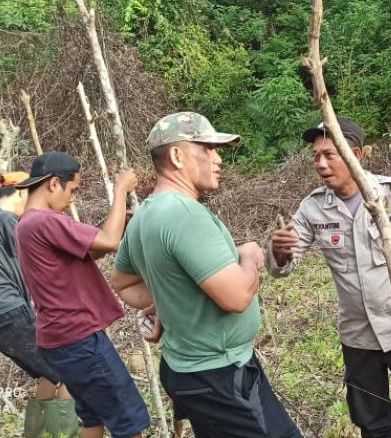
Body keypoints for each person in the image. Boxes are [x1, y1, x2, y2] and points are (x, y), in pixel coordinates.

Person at [267, 116, 391, 438]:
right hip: (358, 335)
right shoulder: (312, 208)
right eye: (316, 156)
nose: (320, 163)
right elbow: (284, 267)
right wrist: (279, 253)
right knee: (372, 420)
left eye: (330, 154)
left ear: (356, 155)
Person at [110, 112, 303, 438]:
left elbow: (123, 283)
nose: (218, 159)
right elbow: (239, 297)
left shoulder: (146, 213)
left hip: (193, 372)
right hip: (220, 378)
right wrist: (250, 256)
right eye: (208, 149)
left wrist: (174, 301)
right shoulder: (185, 216)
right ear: (177, 156)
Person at [14, 152, 150, 438]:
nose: (72, 199)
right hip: (79, 339)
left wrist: (118, 220)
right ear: (53, 184)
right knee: (128, 424)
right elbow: (110, 242)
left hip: (59, 340)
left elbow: (92, 250)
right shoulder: (46, 221)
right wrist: (121, 190)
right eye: (72, 190)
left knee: (93, 417)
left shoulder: (28, 223)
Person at [0, 171, 79, 438]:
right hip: (9, 312)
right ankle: (63, 435)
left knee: (49, 374)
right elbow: (25, 272)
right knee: (69, 371)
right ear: (20, 192)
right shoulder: (9, 221)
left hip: (6, 316)